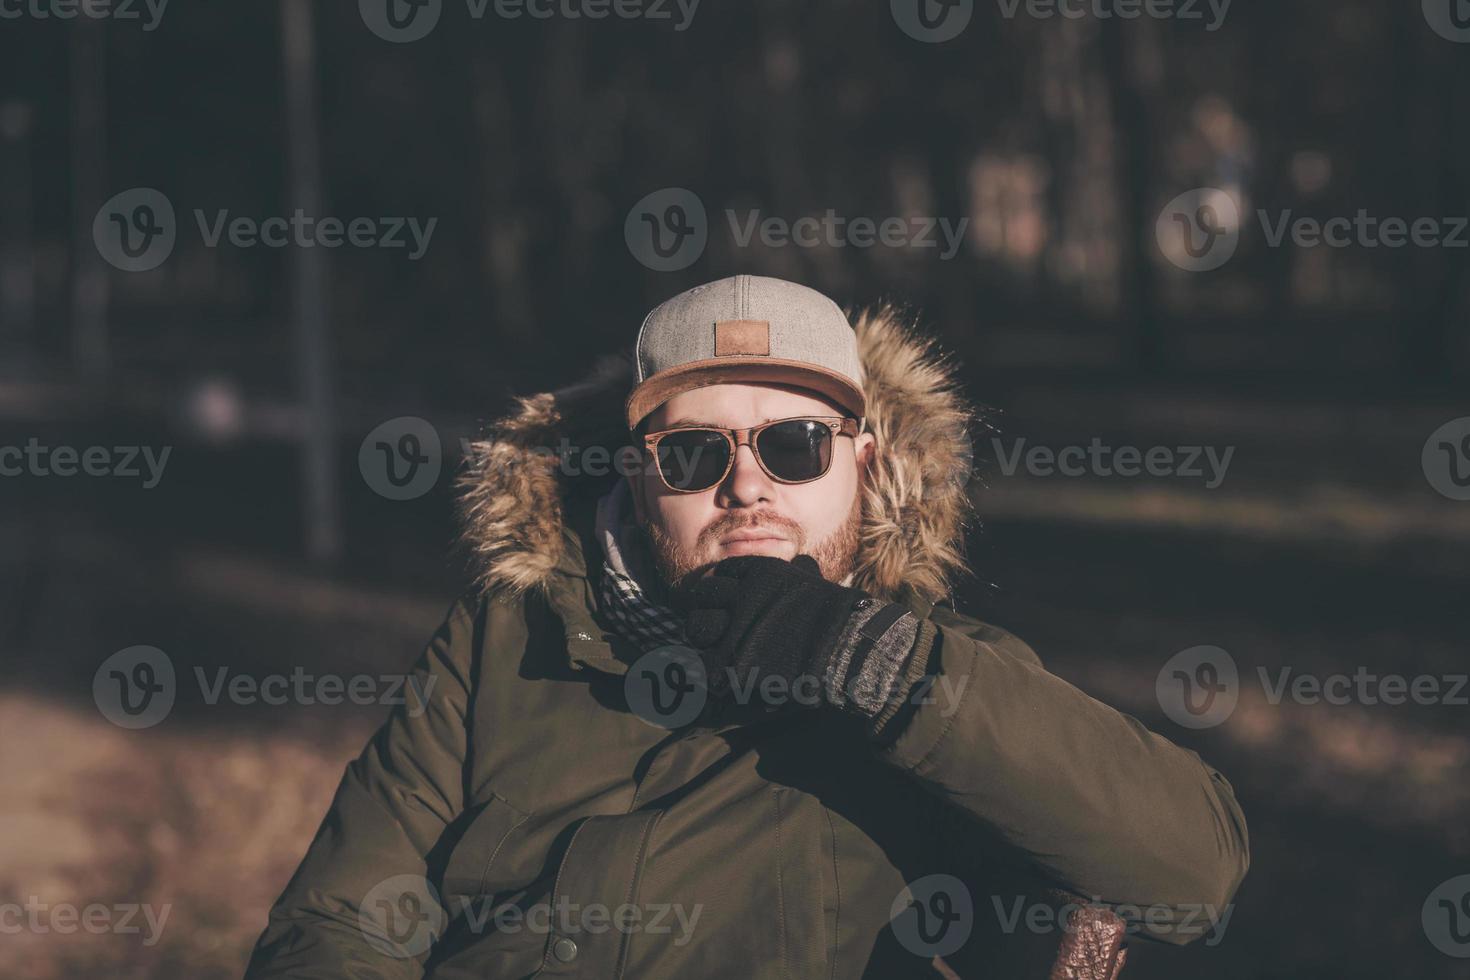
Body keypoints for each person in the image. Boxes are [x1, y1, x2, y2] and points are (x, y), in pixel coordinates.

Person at [244, 275, 1248, 979]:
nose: (746, 485)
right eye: (692, 453)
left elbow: (1196, 869)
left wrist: (866, 658)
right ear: (637, 476)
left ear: (862, 459)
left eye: (795, 444)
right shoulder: (508, 636)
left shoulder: (926, 668)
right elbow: (340, 920)